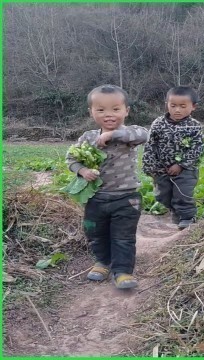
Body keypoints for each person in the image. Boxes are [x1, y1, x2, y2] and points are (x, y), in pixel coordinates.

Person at [66, 84, 149, 289]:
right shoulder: (87, 138)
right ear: (91, 112)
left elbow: (145, 134)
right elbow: (71, 158)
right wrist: (83, 171)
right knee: (95, 233)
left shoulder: (130, 135)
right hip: (96, 198)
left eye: (115, 109)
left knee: (123, 237)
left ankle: (122, 271)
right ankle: (102, 262)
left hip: (126, 198)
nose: (108, 115)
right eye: (101, 110)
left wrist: (113, 135)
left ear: (126, 111)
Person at [142, 86, 204, 230]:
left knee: (183, 194)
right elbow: (150, 145)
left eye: (183, 106)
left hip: (186, 170)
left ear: (193, 107)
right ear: (167, 105)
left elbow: (197, 148)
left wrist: (181, 165)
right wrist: (150, 168)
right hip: (161, 169)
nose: (177, 110)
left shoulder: (194, 126)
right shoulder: (158, 123)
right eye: (173, 105)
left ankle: (188, 217)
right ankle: (176, 213)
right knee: (162, 195)